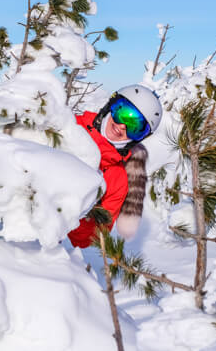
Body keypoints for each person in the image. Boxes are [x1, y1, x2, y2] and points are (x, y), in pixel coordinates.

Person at [68, 85, 162, 248]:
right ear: (110, 106)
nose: (123, 126)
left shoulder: (117, 179)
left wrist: (82, 208)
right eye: (123, 114)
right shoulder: (68, 125)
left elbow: (86, 240)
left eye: (135, 128)